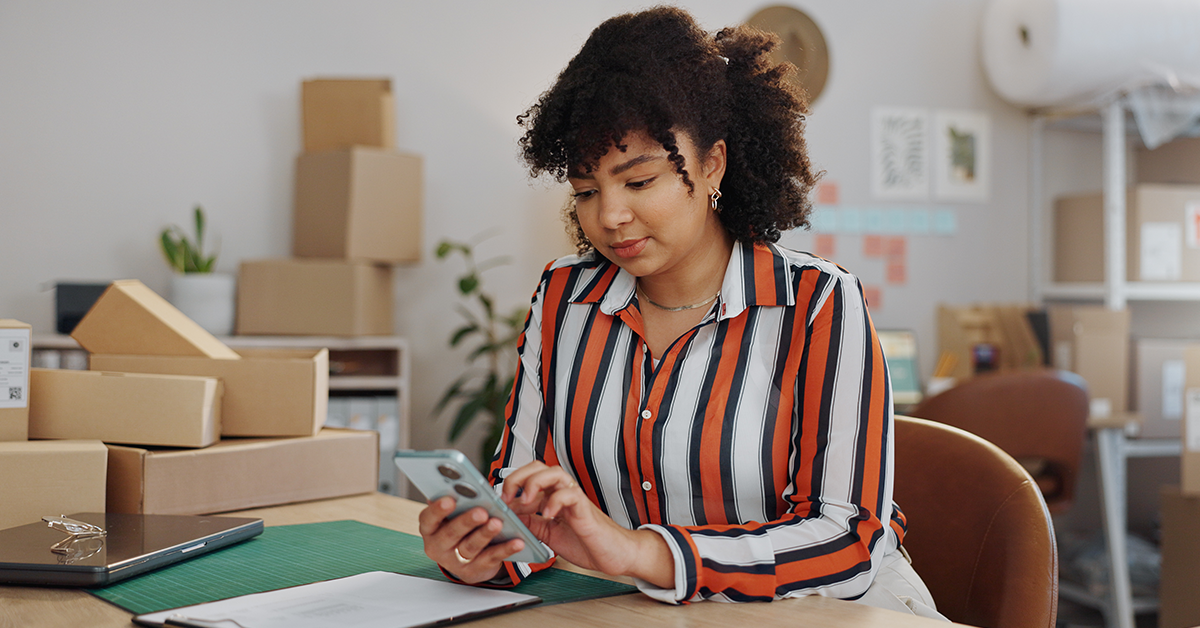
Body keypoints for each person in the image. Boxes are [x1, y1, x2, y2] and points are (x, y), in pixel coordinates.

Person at [418, 6, 943, 617]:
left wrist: (642, 553)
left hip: (827, 609)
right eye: (587, 191)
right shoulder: (566, 297)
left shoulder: (816, 302)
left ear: (712, 163)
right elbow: (527, 500)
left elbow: (846, 540)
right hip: (649, 609)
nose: (609, 216)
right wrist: (485, 550)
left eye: (638, 182)